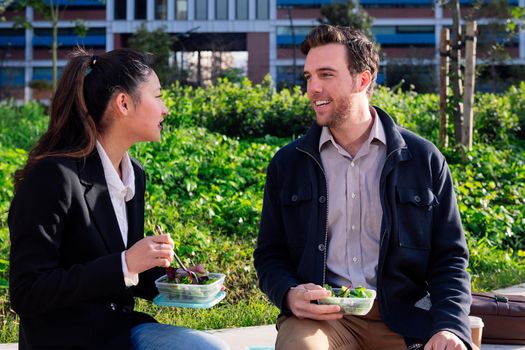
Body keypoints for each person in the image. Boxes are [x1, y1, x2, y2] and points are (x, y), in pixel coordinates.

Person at [254, 24, 473, 350]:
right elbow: (270, 253)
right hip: (322, 320)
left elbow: (450, 259)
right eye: (308, 77)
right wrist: (288, 293)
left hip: (404, 318)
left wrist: (451, 327)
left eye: (326, 75)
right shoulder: (288, 164)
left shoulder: (423, 159)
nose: (312, 88)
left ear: (363, 79)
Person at [8, 48, 229, 350]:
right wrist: (125, 263)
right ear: (123, 103)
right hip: (67, 340)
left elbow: (120, 268)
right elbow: (27, 292)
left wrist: (178, 279)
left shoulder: (133, 174)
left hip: (119, 331)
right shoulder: (53, 176)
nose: (165, 109)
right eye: (158, 96)